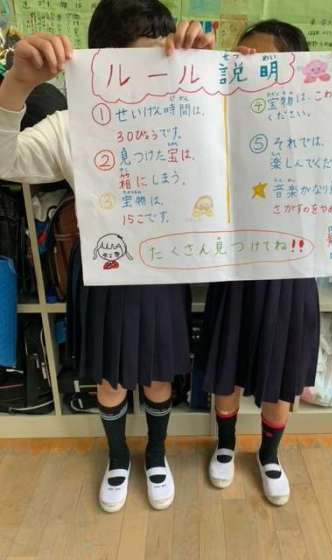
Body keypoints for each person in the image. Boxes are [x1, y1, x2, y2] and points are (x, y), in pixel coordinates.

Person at [0, 0, 214, 512]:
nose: (149, 76)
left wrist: (212, 72)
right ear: (102, 61)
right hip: (105, 267)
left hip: (163, 269)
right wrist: (17, 86)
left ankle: (156, 455)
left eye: (160, 60)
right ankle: (119, 459)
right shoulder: (72, 124)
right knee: (111, 379)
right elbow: (6, 160)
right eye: (136, 63)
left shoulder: (192, 109)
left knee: (160, 376)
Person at [197, 19, 332, 506]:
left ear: (291, 66)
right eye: (241, 56)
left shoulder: (311, 121)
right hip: (235, 266)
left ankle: (269, 454)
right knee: (227, 363)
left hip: (290, 270)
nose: (249, 65)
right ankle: (226, 446)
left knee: (281, 371)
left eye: (262, 59)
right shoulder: (221, 112)